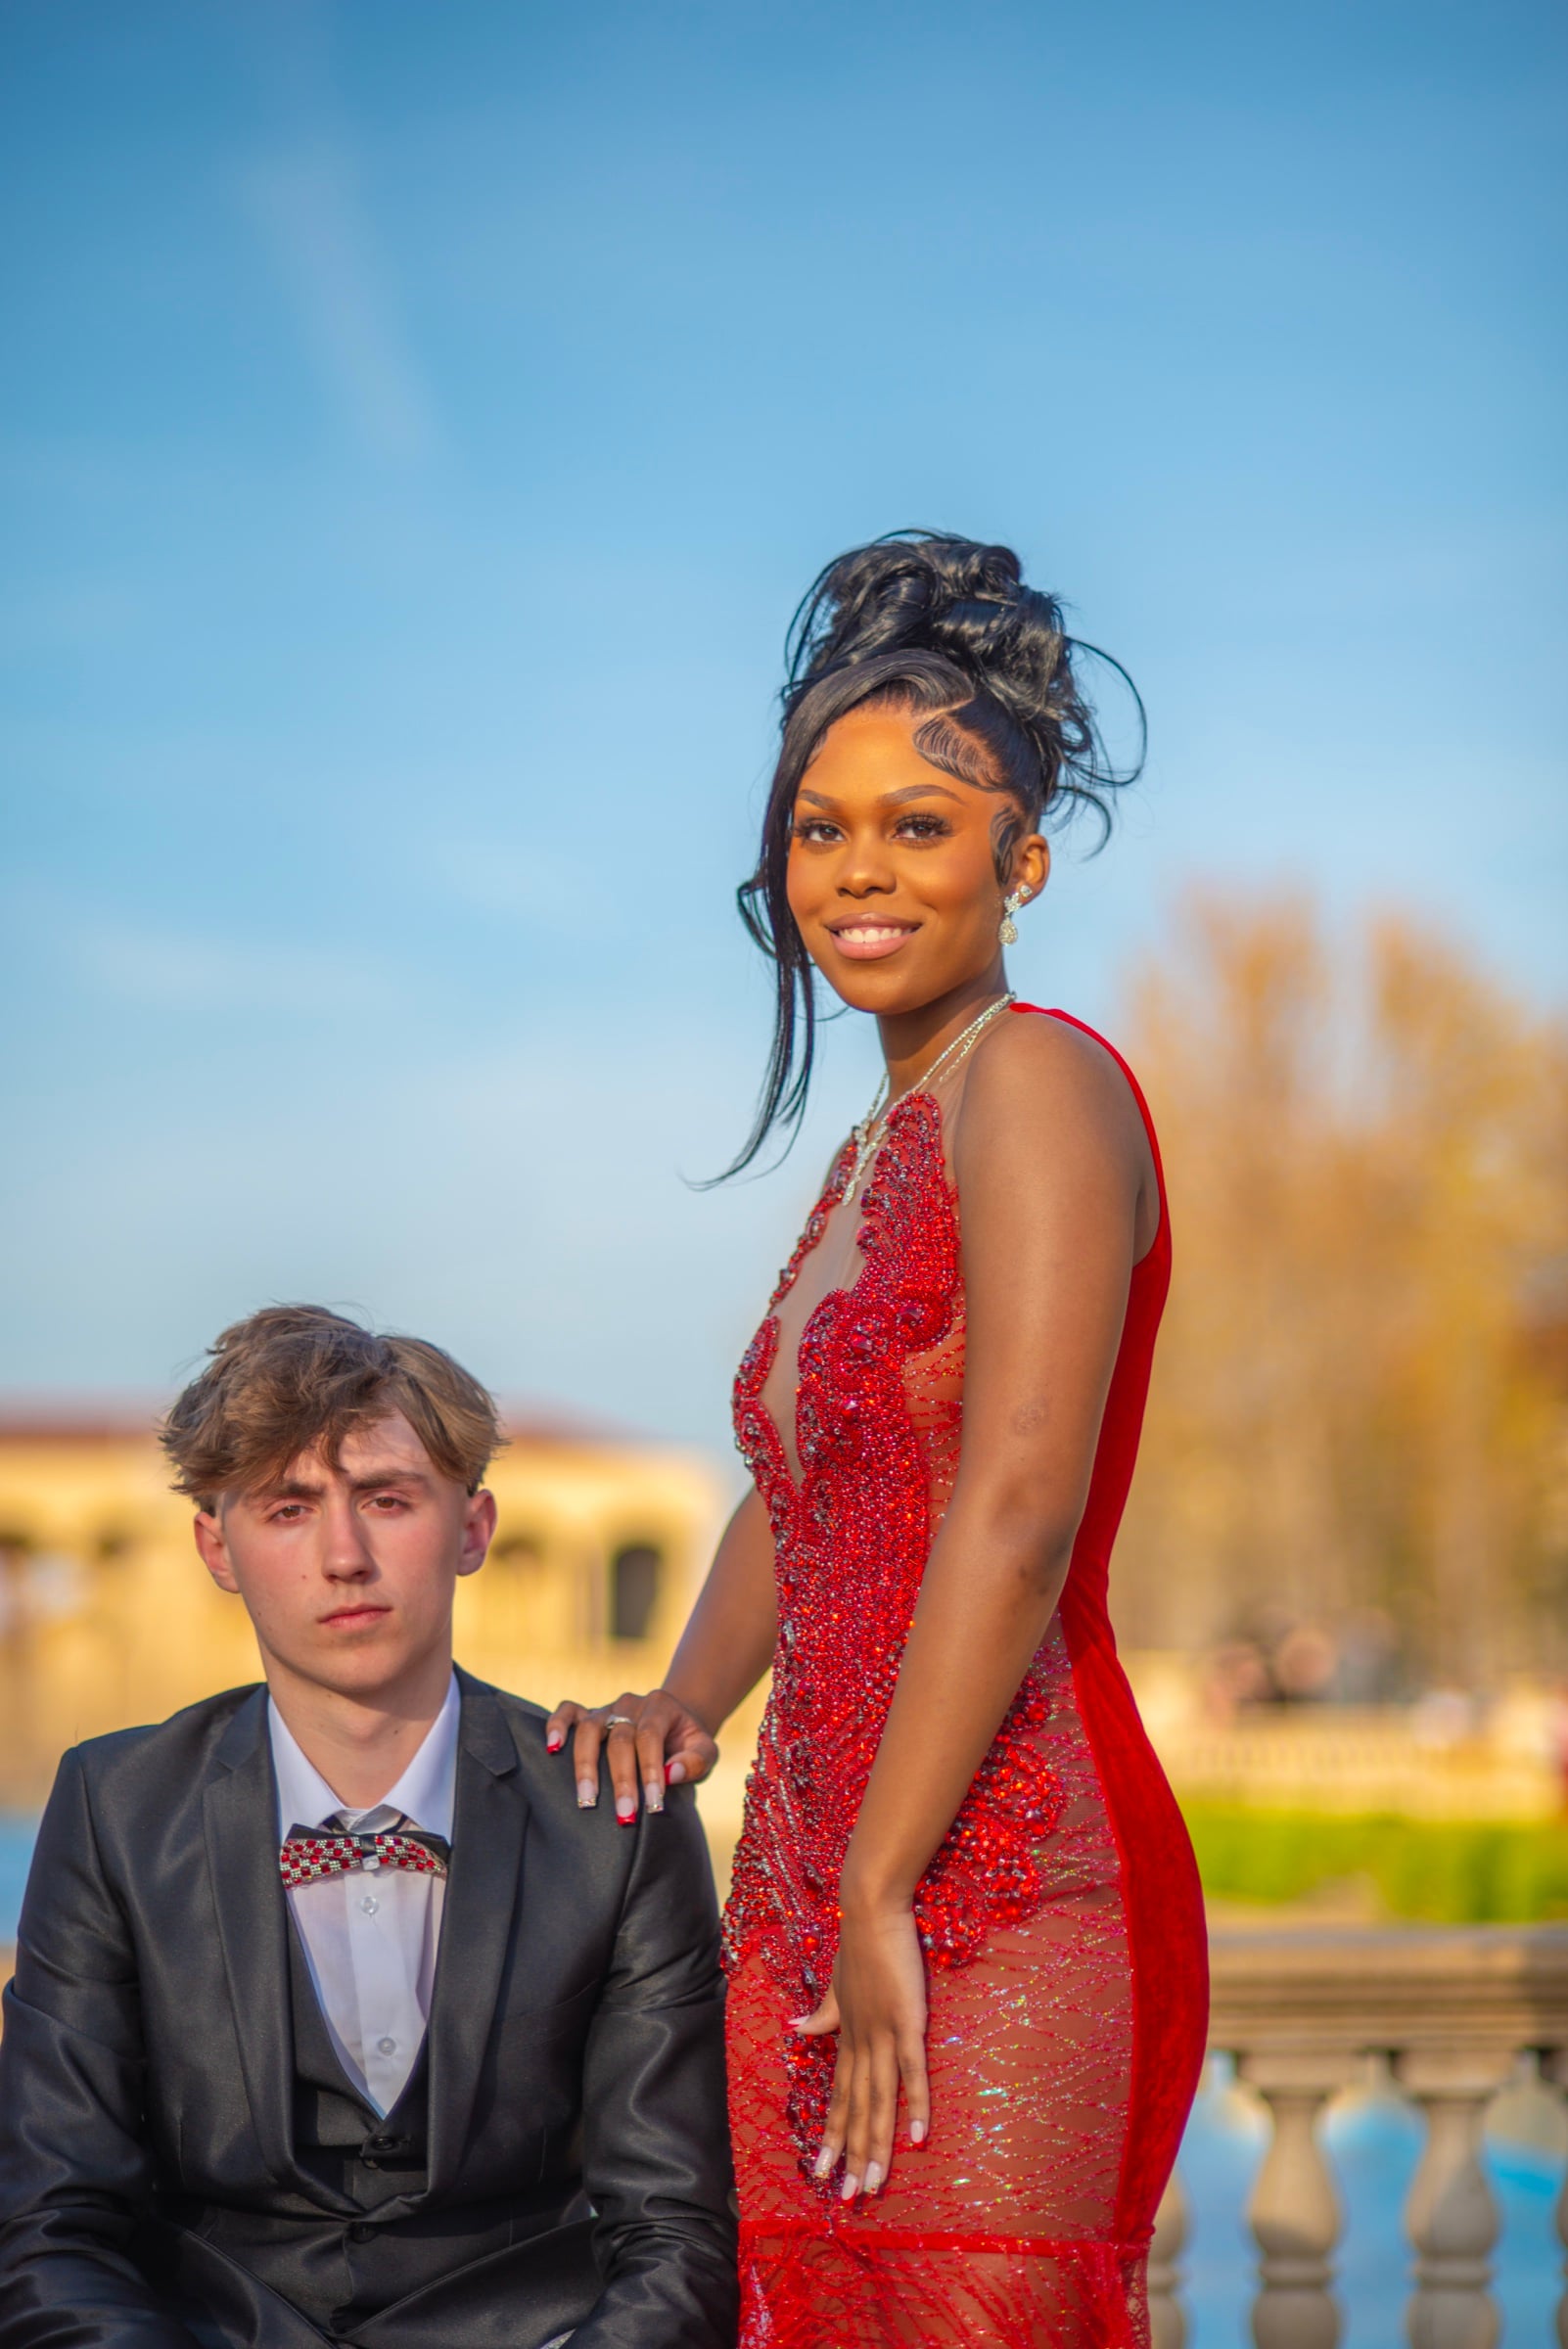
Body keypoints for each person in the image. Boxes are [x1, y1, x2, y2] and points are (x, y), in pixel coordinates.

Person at [550, 533, 1209, 2347]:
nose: (858, 869)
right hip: (813, 1893)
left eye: (919, 825)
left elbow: (1012, 1505)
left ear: (1024, 856)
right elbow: (808, 1487)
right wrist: (681, 1707)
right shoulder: (871, 1147)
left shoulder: (1042, 1083)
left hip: (992, 1881)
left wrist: (882, 1877)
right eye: (820, 825)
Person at [0, 1306, 737, 2349]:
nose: (344, 1557)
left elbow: (674, 2237)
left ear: (473, 1529)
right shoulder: (114, 1807)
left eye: (387, 1501)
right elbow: (53, 2228)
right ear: (218, 1547)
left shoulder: (612, 1814)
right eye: (288, 1509)